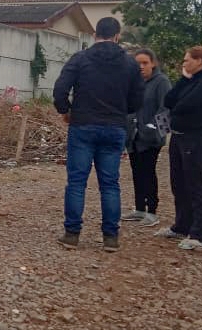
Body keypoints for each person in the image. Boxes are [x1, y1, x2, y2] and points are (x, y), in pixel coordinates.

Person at [53, 17, 143, 252]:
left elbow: (60, 89)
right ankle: (110, 237)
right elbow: (137, 100)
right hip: (114, 127)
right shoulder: (130, 64)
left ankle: (72, 234)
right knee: (110, 183)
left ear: (95, 35)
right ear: (117, 36)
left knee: (76, 182)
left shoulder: (81, 58)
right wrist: (122, 111)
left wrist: (66, 111)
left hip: (82, 125)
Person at [156, 47, 202, 250]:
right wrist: (183, 79)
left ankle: (200, 234)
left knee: (196, 183)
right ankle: (182, 225)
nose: (183, 63)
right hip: (178, 137)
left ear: (200, 61)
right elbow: (169, 101)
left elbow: (184, 105)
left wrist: (179, 102)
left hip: (197, 138)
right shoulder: (191, 80)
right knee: (179, 183)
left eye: (187, 60)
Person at [121, 48, 172, 227]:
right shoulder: (133, 83)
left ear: (153, 63)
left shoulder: (161, 82)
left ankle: (152, 210)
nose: (141, 67)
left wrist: (155, 132)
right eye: (138, 63)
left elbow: (166, 109)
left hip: (150, 138)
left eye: (145, 63)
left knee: (148, 172)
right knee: (136, 172)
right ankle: (140, 208)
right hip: (133, 136)